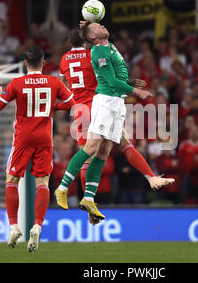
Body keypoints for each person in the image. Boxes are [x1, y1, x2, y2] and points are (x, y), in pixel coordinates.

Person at [54, 21, 174, 221]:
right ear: (87, 39)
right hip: (98, 104)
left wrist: (62, 106)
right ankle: (66, 189)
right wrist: (131, 88)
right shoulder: (92, 53)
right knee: (97, 150)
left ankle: (89, 199)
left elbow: (65, 86)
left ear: (68, 42)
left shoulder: (65, 60)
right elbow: (105, 78)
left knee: (99, 152)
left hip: (81, 108)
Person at [0, 45, 75, 252]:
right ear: (43, 63)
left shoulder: (17, 83)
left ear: (25, 63)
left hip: (22, 138)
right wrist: (53, 106)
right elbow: (72, 102)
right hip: (44, 139)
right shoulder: (53, 82)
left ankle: (13, 226)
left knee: (12, 180)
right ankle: (37, 225)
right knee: (43, 183)